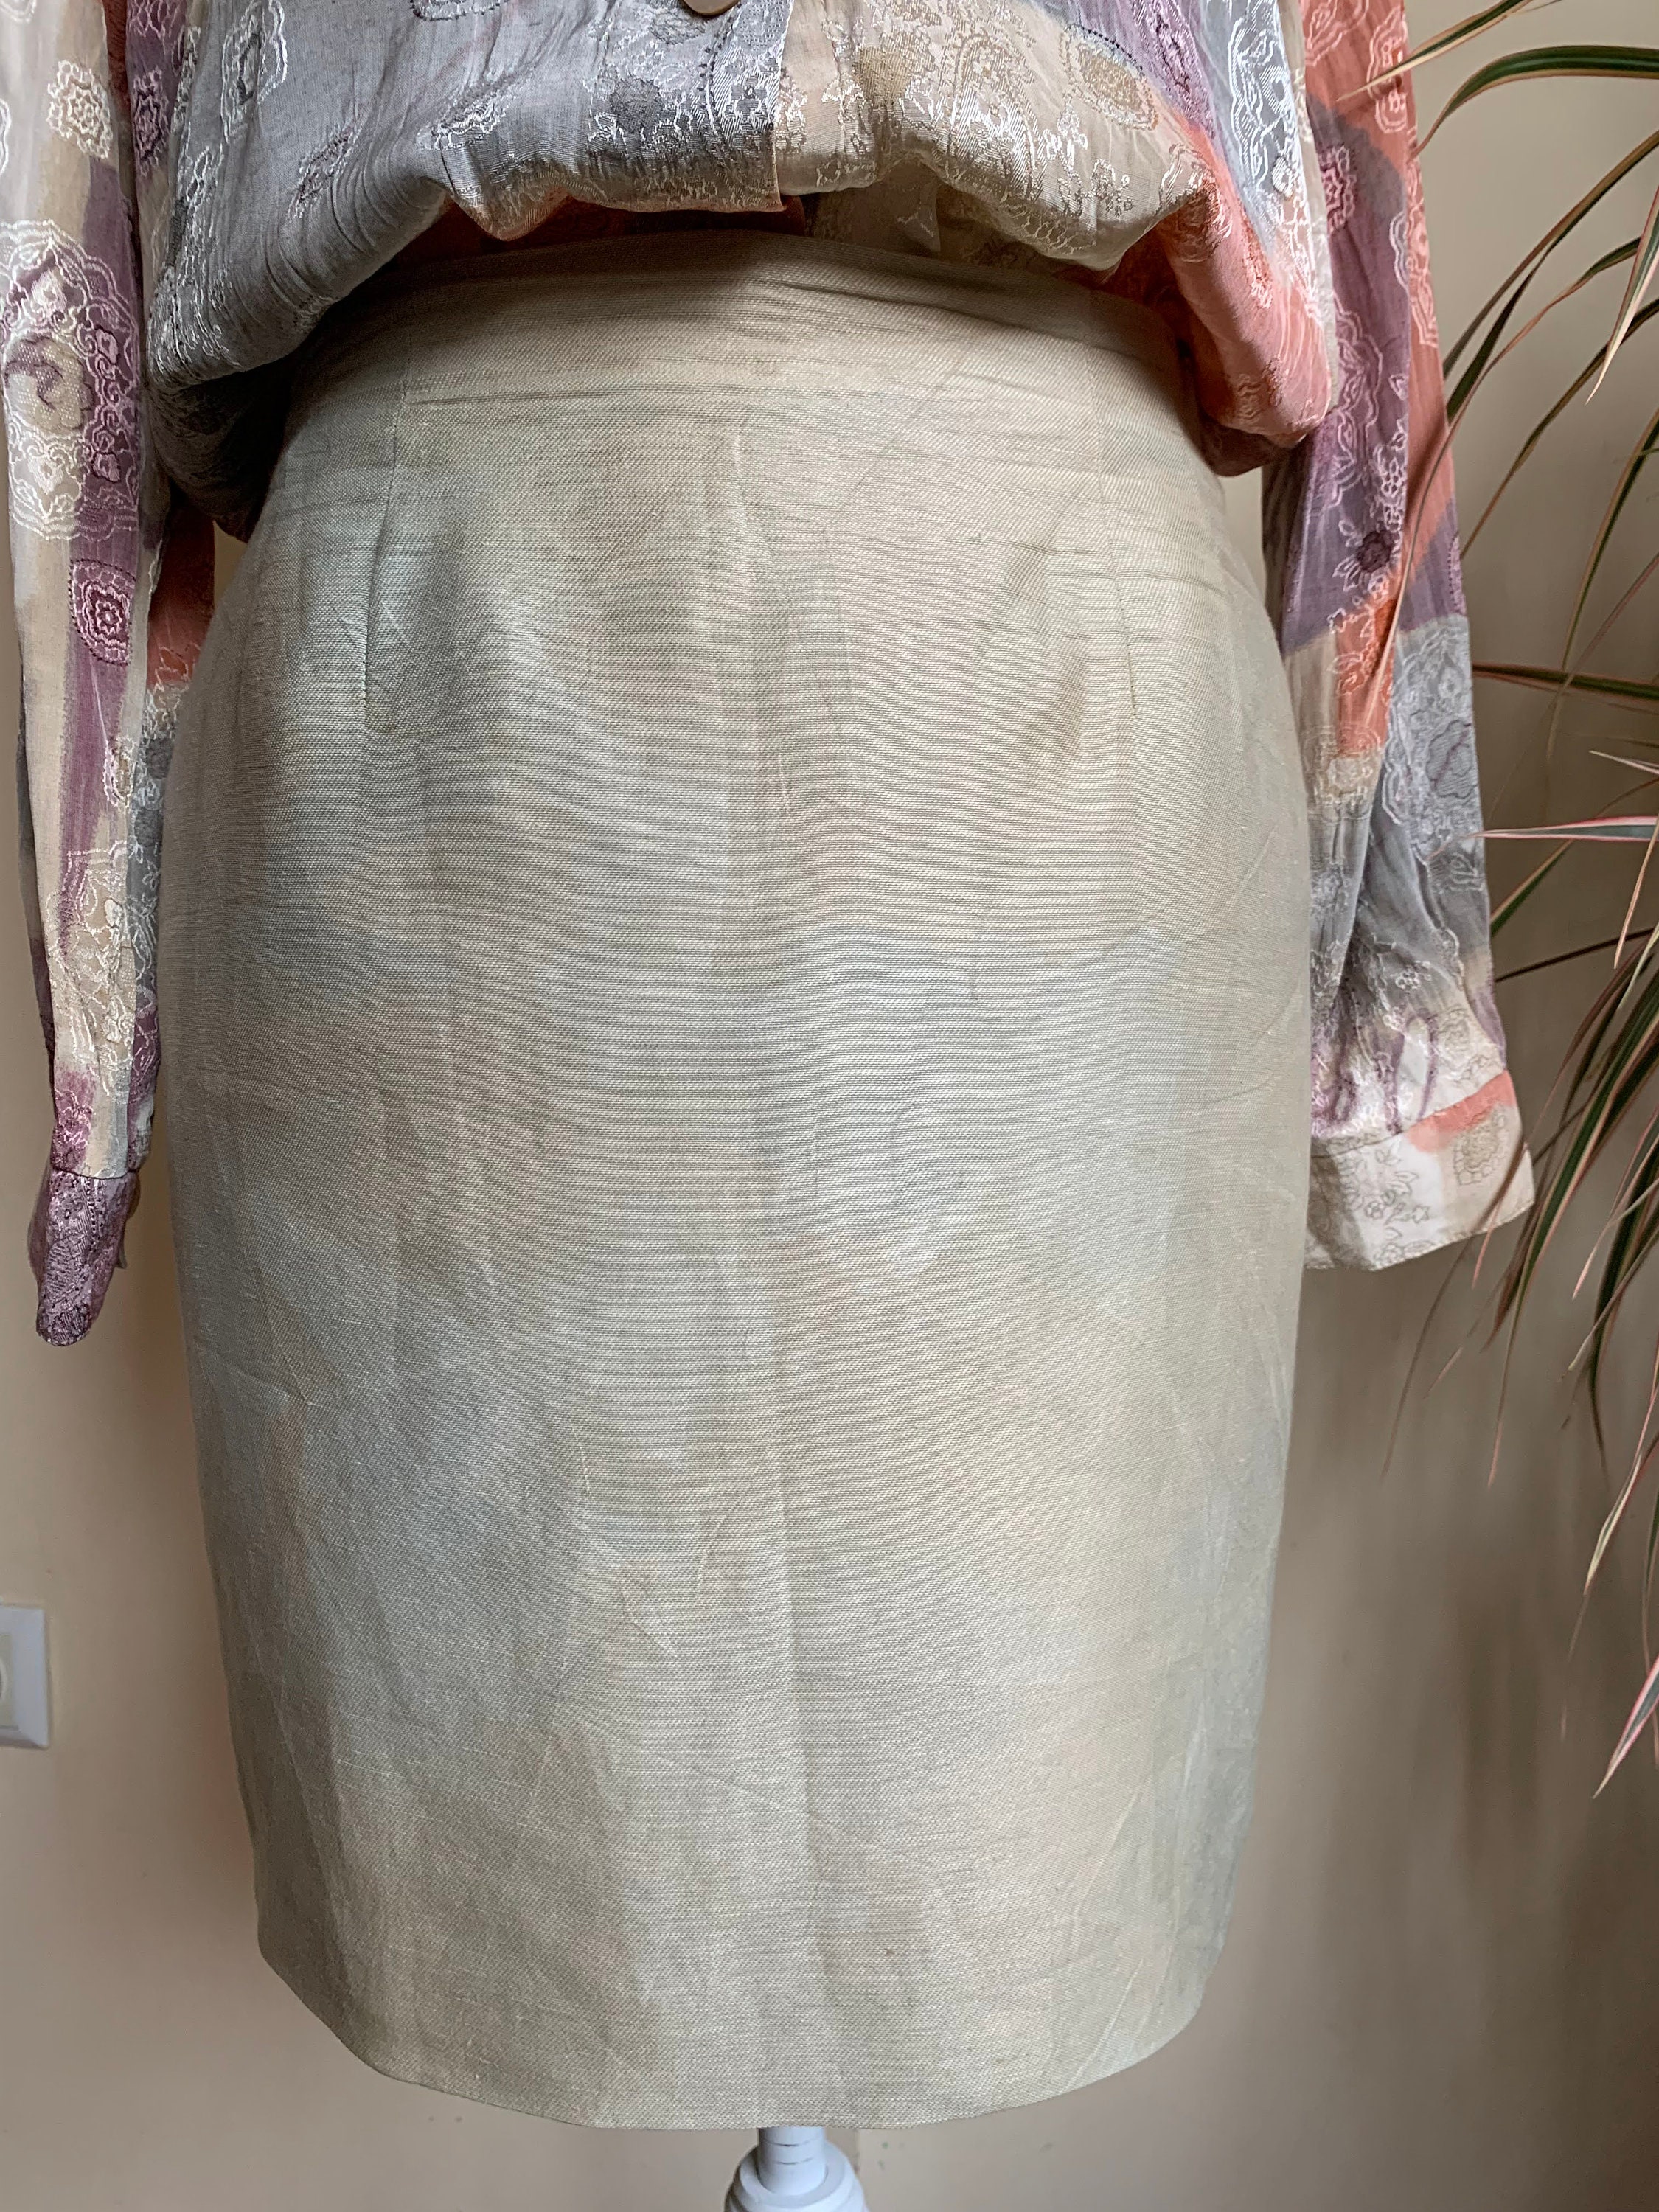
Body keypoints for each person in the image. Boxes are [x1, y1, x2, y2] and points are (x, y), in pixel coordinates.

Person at [0, 0, 1532, 2131]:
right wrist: (103, 1046)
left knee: (1005, 1820)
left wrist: (1393, 1008)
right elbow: (71, 233)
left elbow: (1346, 151)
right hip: (428, 721)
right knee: (503, 1856)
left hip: (1047, 724)